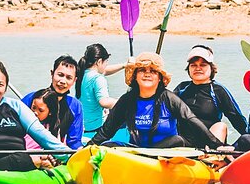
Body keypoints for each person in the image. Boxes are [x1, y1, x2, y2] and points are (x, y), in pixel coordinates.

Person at [88, 52, 223, 149]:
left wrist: (217, 145)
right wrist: (87, 148)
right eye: (142, 70)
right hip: (136, 151)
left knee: (177, 140)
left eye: (152, 71)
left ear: (159, 78)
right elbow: (107, 131)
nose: (147, 73)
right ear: (135, 76)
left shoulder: (169, 99)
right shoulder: (127, 100)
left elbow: (191, 120)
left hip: (165, 152)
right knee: (108, 145)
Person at [174, 45, 246, 140]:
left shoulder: (218, 90)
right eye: (193, 65)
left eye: (203, 65)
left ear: (211, 68)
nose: (198, 68)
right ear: (189, 69)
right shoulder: (182, 88)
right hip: (183, 141)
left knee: (221, 126)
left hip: (210, 142)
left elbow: (236, 118)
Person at [22, 55, 84, 149]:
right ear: (52, 73)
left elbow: (74, 142)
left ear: (74, 80)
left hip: (55, 156)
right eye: (60, 75)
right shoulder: (32, 99)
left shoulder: (75, 106)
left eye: (69, 77)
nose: (63, 81)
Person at [75, 44, 127, 134]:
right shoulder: (98, 78)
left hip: (81, 125)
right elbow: (104, 102)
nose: (107, 64)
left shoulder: (82, 73)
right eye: (106, 61)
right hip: (95, 126)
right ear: (99, 62)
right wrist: (126, 102)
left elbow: (105, 70)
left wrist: (124, 65)